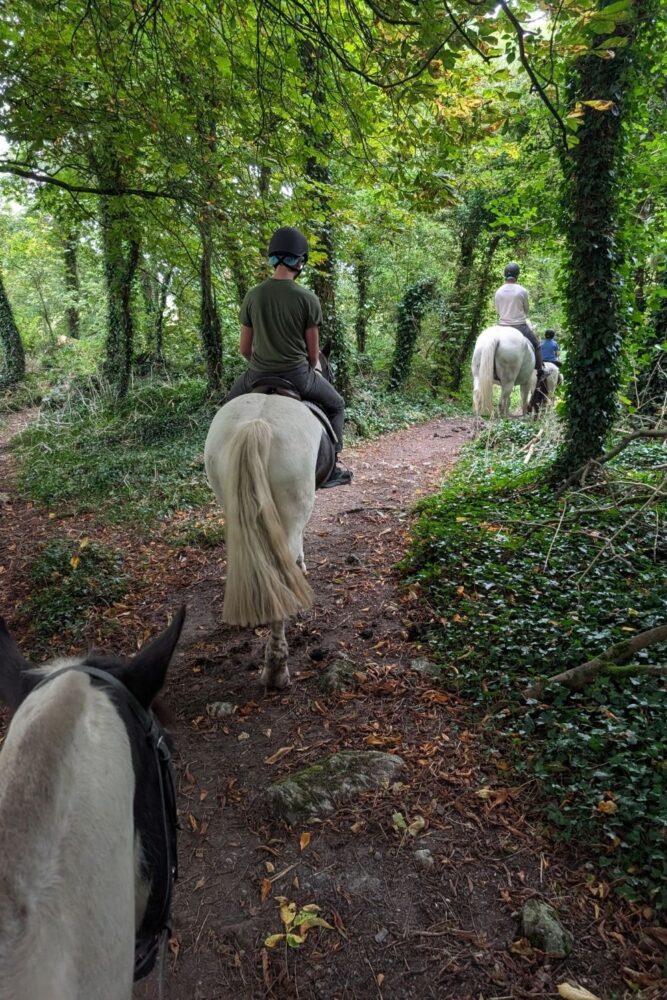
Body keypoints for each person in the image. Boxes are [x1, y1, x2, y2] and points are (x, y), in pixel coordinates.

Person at [225, 226, 352, 488]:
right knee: (337, 404)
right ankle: (332, 467)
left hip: (257, 374)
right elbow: (314, 353)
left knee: (225, 411)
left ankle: (221, 462)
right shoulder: (307, 299)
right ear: (299, 261)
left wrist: (263, 362)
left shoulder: (253, 295)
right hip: (297, 375)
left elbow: (245, 350)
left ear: (273, 258)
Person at [494, 262, 545, 376]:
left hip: (501, 325)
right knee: (537, 345)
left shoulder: (498, 291)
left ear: (505, 275)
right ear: (517, 275)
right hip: (520, 326)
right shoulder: (522, 290)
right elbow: (526, 309)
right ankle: (540, 371)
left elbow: (498, 311)